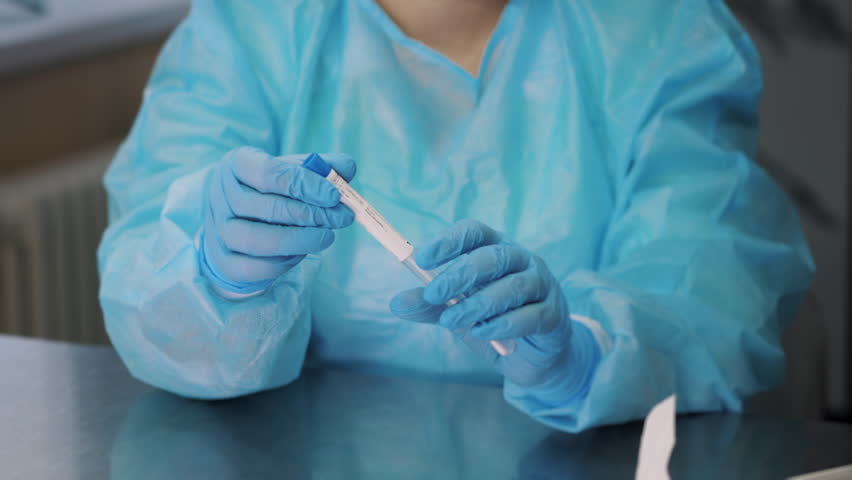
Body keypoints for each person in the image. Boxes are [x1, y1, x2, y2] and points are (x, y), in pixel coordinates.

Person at [98, 0, 815, 432]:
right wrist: (213, 277)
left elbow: (712, 279)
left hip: (583, 457)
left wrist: (585, 354)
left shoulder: (654, 28)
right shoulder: (254, 25)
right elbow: (144, 277)